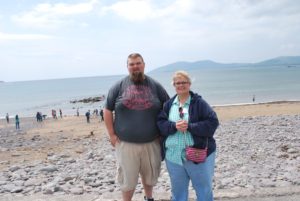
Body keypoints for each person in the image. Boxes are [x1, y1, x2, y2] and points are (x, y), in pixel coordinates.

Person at [104, 53, 169, 201]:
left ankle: (149, 197)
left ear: (144, 65)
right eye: (132, 64)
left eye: (138, 63)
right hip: (126, 143)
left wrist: (163, 133)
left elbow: (168, 107)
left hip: (152, 142)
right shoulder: (118, 86)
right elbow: (107, 110)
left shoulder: (156, 85)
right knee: (127, 178)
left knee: (150, 175)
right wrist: (112, 135)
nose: (135, 67)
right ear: (127, 67)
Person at [157, 71, 219, 201]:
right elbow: (161, 123)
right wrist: (174, 126)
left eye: (183, 82)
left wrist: (190, 127)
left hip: (197, 155)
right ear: (174, 85)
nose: (180, 85)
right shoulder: (169, 104)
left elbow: (213, 122)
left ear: (189, 84)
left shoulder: (199, 103)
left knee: (204, 191)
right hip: (173, 157)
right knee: (178, 193)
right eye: (177, 83)